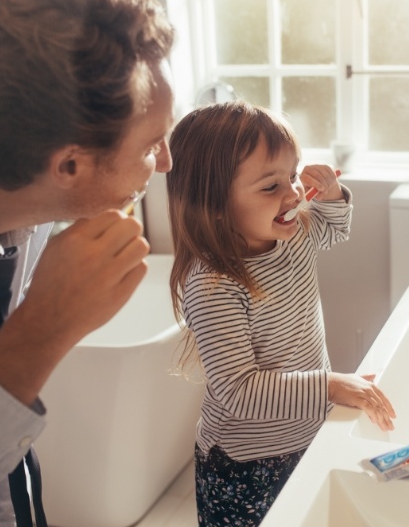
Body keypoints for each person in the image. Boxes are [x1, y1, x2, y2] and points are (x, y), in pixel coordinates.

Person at [0, 0, 175, 525]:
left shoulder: (29, 210)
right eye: (151, 144)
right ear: (68, 165)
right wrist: (46, 325)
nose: (165, 162)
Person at [166, 101, 396, 527]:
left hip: (304, 434)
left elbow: (333, 226)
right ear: (214, 203)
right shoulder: (214, 285)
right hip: (247, 464)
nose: (292, 194)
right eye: (271, 187)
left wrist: (332, 194)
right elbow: (239, 390)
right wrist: (329, 386)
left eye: (293, 175)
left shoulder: (292, 235)